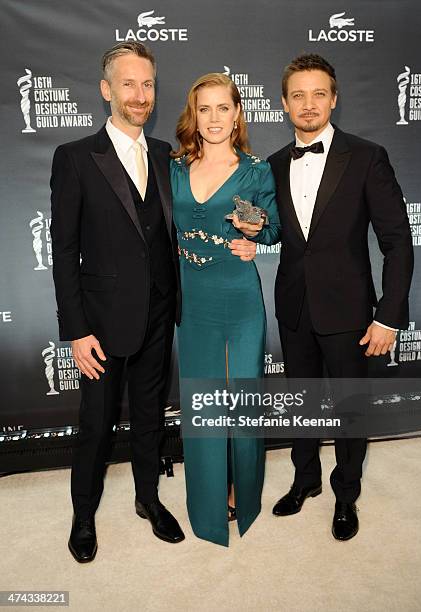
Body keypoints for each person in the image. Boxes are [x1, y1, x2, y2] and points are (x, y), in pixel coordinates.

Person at [50, 42, 254, 563]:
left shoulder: (168, 156)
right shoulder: (75, 158)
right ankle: (84, 515)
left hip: (162, 316)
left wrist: (253, 233)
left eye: (147, 85)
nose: (140, 95)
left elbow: (205, 213)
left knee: (150, 417)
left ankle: (148, 499)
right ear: (106, 90)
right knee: (95, 425)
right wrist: (75, 330)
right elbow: (64, 251)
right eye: (128, 84)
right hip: (99, 323)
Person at [268, 54, 413, 540]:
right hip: (294, 306)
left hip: (351, 310)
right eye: (298, 95)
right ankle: (304, 478)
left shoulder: (367, 156)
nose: (308, 105)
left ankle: (345, 494)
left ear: (334, 99)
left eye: (318, 94)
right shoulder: (271, 165)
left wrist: (389, 315)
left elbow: (397, 241)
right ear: (284, 103)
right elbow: (277, 233)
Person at [170, 73, 281, 546]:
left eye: (223, 108)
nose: (214, 118)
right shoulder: (172, 167)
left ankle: (245, 493)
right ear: (193, 115)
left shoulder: (256, 170)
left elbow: (276, 228)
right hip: (191, 301)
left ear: (238, 113)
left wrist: (256, 239)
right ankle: (208, 504)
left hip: (238, 298)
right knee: (203, 404)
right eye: (204, 109)